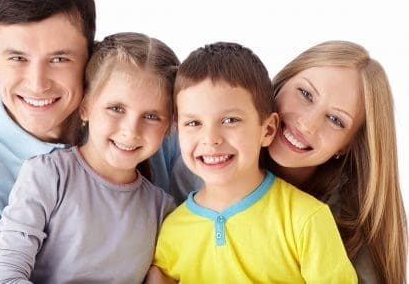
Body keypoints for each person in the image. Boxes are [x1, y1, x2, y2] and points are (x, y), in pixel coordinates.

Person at [0, 0, 179, 284]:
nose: (37, 84)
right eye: (17, 58)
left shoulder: (149, 126)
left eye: (59, 59)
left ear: (90, 58)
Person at [148, 42, 357, 283]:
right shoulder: (172, 229)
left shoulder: (307, 219)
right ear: (177, 130)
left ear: (268, 129)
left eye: (230, 120)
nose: (210, 139)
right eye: (193, 123)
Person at [0, 32, 179, 283]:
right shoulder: (48, 176)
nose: (131, 130)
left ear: (169, 126)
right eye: (116, 108)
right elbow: (3, 275)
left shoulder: (162, 209)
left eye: (152, 116)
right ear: (85, 107)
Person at [266, 40, 408, 283]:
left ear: (347, 145)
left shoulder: (352, 227)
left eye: (335, 119)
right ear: (282, 81)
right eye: (306, 94)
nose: (308, 124)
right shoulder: (204, 151)